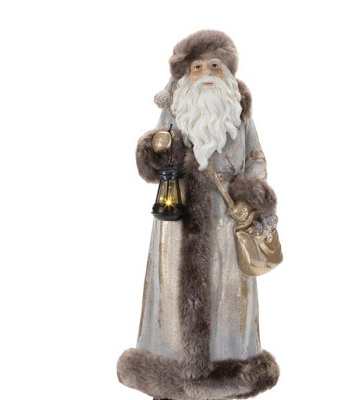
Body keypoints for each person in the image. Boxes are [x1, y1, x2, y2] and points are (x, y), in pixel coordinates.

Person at [117, 30, 279, 400]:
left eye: (214, 65)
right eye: (197, 67)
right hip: (178, 212)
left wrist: (250, 194)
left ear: (227, 72)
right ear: (185, 74)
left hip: (226, 218)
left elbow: (255, 158)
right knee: (171, 286)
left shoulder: (238, 112)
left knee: (227, 292)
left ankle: (229, 369)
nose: (206, 72)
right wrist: (155, 149)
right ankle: (169, 367)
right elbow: (155, 157)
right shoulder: (176, 106)